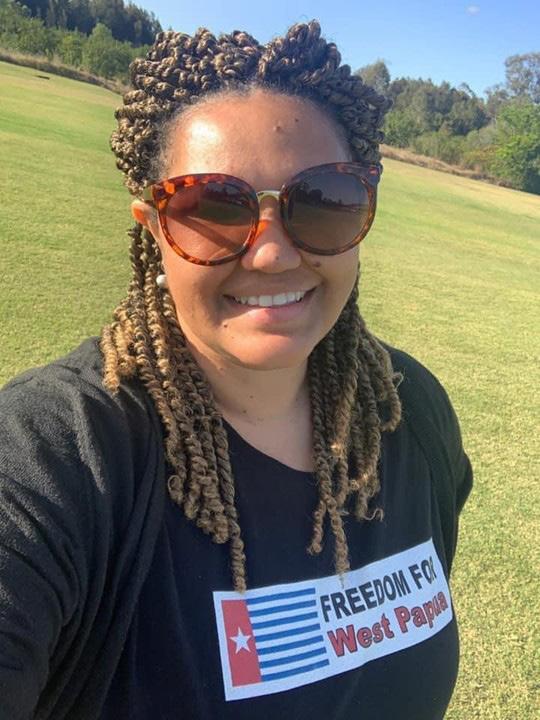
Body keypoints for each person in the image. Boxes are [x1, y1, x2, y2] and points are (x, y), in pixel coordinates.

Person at [0, 20, 472, 720]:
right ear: (154, 229)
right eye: (213, 207)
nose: (272, 254)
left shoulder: (411, 412)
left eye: (324, 200)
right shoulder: (58, 456)